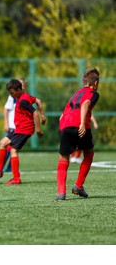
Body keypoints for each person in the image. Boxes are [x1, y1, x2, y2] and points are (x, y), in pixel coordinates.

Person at [55, 67, 100, 201]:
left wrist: (64, 130)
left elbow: (62, 115)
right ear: (95, 83)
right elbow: (85, 104)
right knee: (89, 153)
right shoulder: (93, 93)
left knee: (63, 159)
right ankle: (78, 186)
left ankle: (61, 194)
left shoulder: (75, 93)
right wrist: (81, 123)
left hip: (66, 127)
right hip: (81, 126)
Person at [0, 78, 45, 185]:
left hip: (24, 129)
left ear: (19, 90)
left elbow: (34, 113)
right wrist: (43, 115)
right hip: (19, 128)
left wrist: (38, 130)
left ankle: (16, 178)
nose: (11, 95)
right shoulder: (25, 96)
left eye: (12, 93)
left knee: (13, 151)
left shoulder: (23, 101)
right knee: (2, 143)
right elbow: (38, 101)